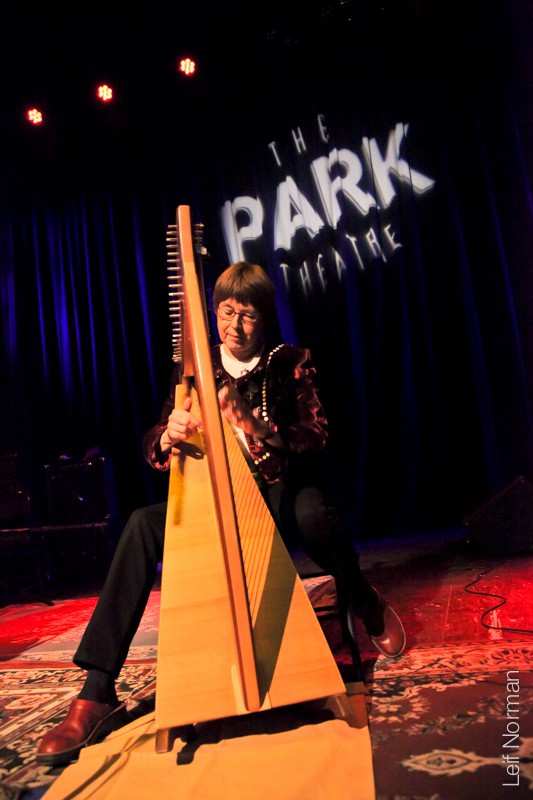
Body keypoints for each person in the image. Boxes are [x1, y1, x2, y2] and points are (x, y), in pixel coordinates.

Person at [36, 261, 405, 767]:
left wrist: (258, 427)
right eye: (226, 312)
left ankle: (363, 598)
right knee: (141, 526)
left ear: (263, 318)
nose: (235, 325)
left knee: (314, 512)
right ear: (213, 314)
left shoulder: (288, 363)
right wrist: (166, 436)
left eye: (247, 315)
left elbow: (315, 435)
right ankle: (96, 691)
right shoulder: (194, 368)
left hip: (275, 492)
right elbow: (154, 441)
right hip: (214, 499)